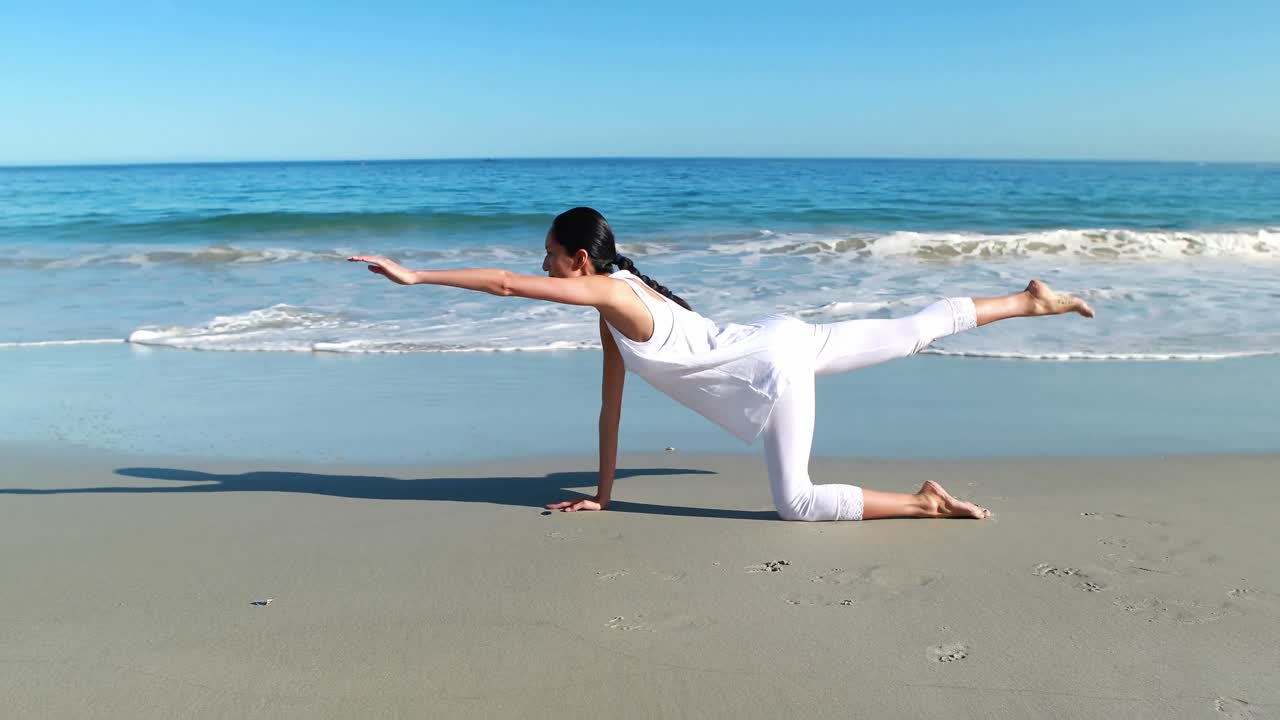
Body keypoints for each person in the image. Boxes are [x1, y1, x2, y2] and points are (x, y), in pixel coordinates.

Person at [348, 207, 1094, 522]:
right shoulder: (617, 308)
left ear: (578, 260)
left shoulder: (609, 289)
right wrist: (604, 495)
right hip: (777, 340)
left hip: (774, 368)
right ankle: (1030, 301)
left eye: (549, 258)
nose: (537, 268)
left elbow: (508, 287)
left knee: (795, 505)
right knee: (908, 333)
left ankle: (926, 503)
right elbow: (610, 411)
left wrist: (417, 276)